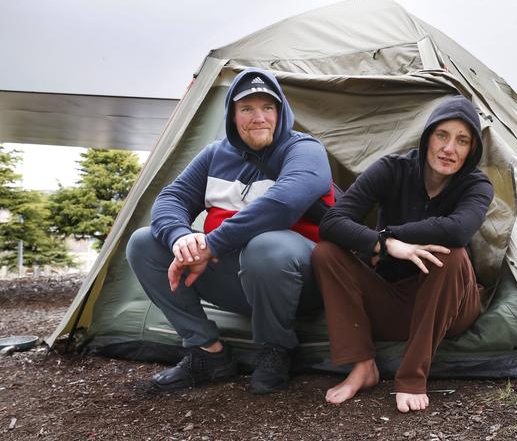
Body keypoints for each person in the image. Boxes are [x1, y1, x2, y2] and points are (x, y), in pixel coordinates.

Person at [126, 68, 332, 394]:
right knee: (144, 242)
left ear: (281, 112)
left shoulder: (305, 150)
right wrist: (181, 237)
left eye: (268, 107)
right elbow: (171, 198)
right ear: (232, 116)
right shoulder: (215, 154)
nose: (258, 117)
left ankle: (275, 350)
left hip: (298, 283)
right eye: (246, 108)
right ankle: (207, 352)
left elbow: (284, 203)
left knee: (267, 247)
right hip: (233, 278)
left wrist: (211, 244)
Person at [311, 95, 494, 413]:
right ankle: (363, 365)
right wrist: (384, 246)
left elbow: (457, 231)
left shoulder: (476, 185)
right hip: (394, 301)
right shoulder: (391, 170)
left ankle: (412, 377)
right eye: (442, 135)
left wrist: (391, 235)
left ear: (471, 150)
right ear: (427, 138)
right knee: (326, 253)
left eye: (462, 141)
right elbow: (332, 222)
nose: (449, 148)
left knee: (450, 254)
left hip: (451, 306)